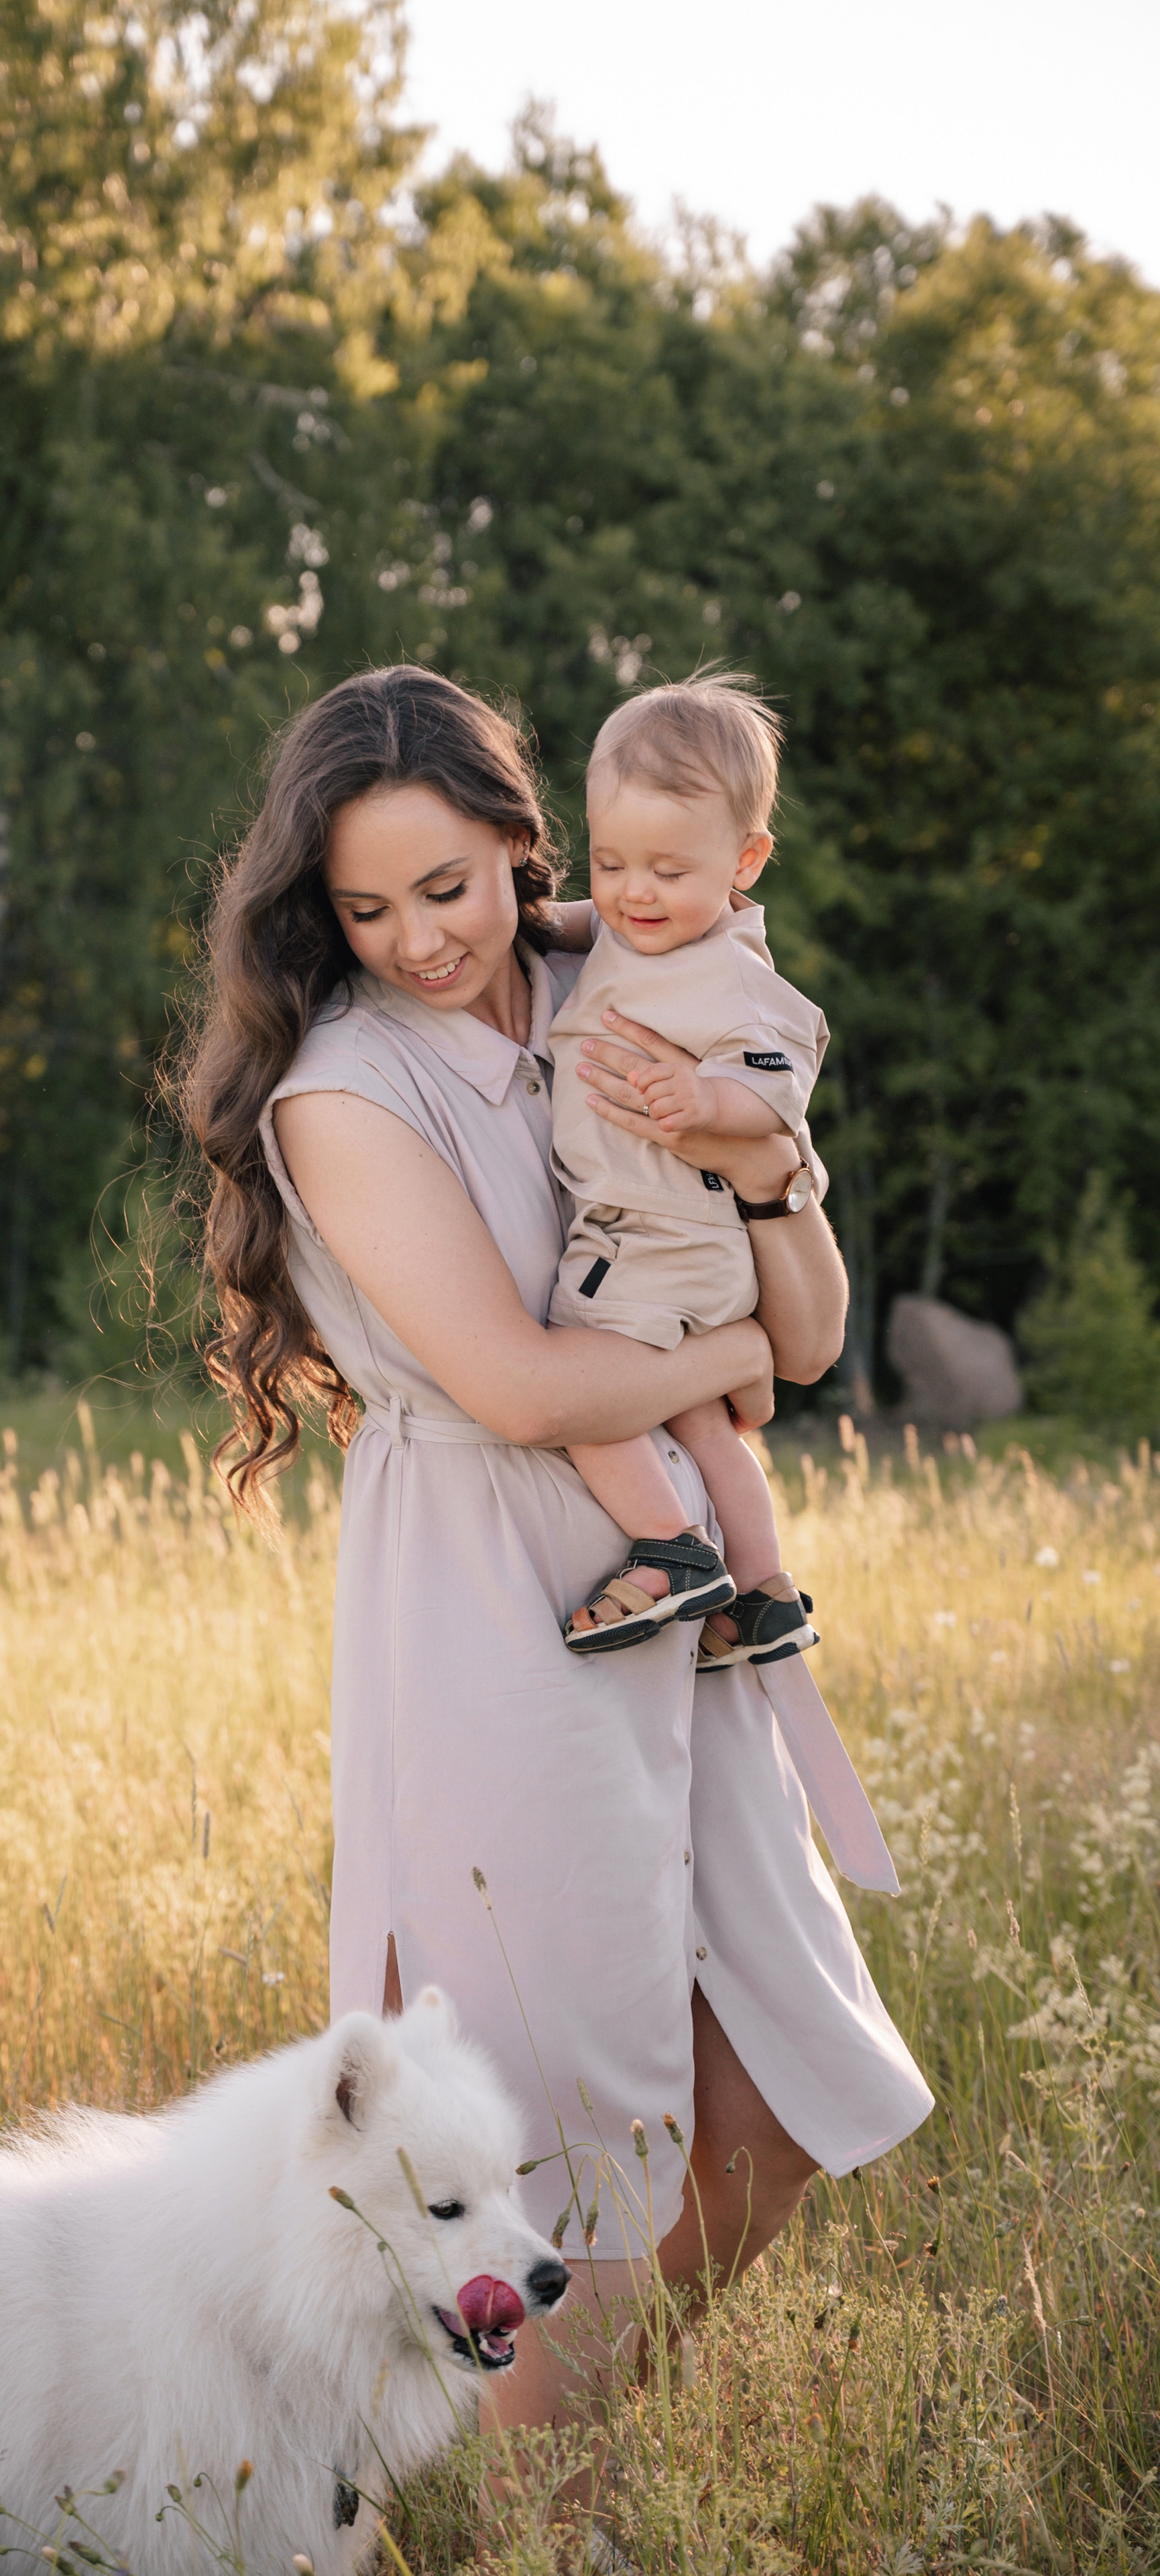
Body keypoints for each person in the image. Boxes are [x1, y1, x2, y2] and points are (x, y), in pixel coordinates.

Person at [177, 664, 931, 2442]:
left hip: (681, 1594)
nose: (419, 940)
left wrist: (767, 1178)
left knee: (776, 2100)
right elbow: (517, 1385)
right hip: (490, 1597)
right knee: (548, 2130)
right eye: (365, 908)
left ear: (528, 849)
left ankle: (535, 2466)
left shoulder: (637, 979)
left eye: (450, 888)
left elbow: (808, 1329)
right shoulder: (340, 1093)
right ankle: (519, 2505)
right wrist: (724, 1360)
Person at [547, 674, 825, 1675]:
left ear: (745, 861)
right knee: (704, 1421)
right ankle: (764, 1591)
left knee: (578, 1378)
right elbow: (588, 923)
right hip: (681, 1249)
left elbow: (781, 1082)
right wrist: (531, 919)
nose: (632, 892)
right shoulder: (640, 925)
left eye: (667, 868)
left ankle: (670, 1550)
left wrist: (707, 1105)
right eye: (611, 860)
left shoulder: (736, 977)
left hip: (657, 1234)